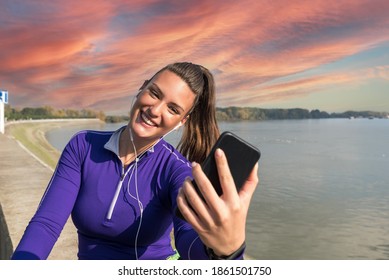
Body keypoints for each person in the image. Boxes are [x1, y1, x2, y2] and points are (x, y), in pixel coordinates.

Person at [11, 62, 259, 260]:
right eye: (154, 93)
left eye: (173, 109)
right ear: (142, 88)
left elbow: (188, 241)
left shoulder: (176, 170)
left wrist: (225, 251)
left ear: (182, 121)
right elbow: (46, 224)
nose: (155, 110)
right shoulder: (83, 146)